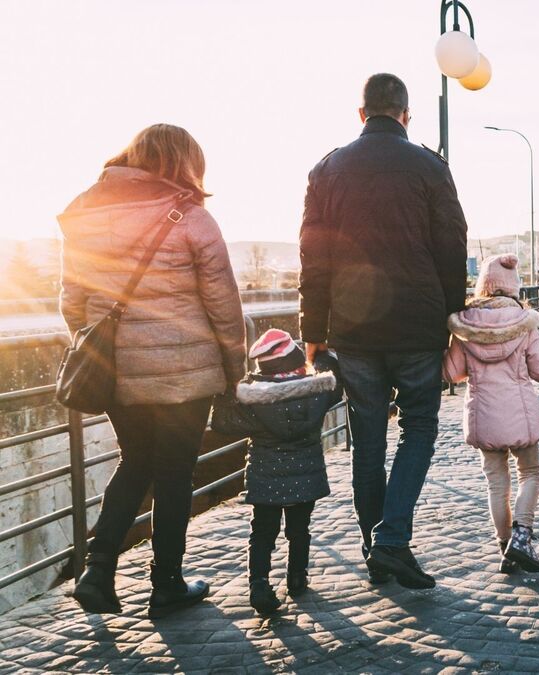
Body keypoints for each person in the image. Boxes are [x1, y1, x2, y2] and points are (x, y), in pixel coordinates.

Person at [61, 124, 246, 616]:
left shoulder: (86, 214)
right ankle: (166, 583)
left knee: (135, 460)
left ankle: (97, 571)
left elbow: (72, 304)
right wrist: (234, 366)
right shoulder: (191, 216)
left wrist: (102, 347)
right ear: (185, 163)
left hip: (118, 369)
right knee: (174, 473)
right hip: (186, 373)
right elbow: (224, 306)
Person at [299, 73, 468, 589]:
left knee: (368, 441)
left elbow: (313, 256)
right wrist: (452, 317)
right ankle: (391, 542)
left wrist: (314, 333)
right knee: (419, 428)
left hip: (353, 330)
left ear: (361, 113)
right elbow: (452, 247)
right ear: (406, 114)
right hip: (418, 327)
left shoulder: (327, 169)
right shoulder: (430, 167)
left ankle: (377, 545)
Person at [443, 255, 539, 574]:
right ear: (513, 288)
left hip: (484, 416)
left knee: (496, 484)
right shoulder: (524, 322)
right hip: (519, 413)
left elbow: (453, 371)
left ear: (484, 286)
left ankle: (505, 546)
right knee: (531, 474)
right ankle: (522, 536)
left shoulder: (465, 325)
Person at [211, 329, 342, 615]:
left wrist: (226, 392)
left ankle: (259, 584)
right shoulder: (317, 394)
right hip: (306, 477)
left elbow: (222, 423)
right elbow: (334, 380)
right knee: (299, 530)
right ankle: (296, 578)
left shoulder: (254, 403)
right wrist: (321, 357)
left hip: (265, 478)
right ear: (297, 364)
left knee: (262, 533)